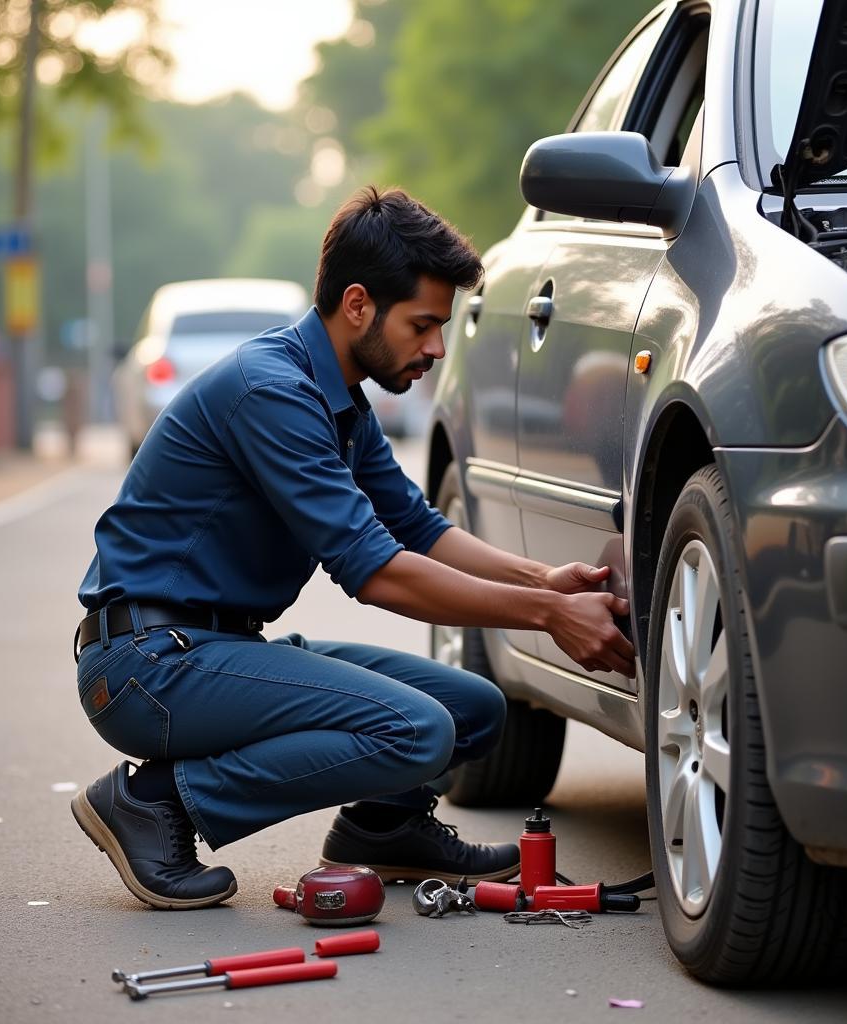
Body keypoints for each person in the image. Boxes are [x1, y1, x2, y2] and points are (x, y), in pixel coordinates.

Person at [72, 186, 635, 910]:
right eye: (423, 325)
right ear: (360, 305)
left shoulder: (338, 398)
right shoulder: (270, 392)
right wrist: (547, 616)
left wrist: (548, 583)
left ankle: (382, 831)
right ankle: (154, 803)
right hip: (148, 666)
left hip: (214, 650)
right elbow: (375, 572)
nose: (435, 348)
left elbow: (418, 526)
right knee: (416, 728)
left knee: (473, 708)